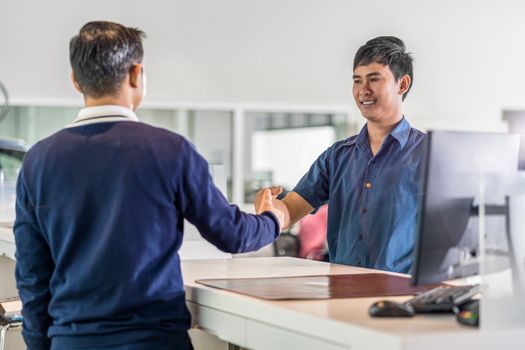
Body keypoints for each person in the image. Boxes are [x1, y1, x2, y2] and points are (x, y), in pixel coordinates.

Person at [14, 21, 283, 350]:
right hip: (153, 340)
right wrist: (273, 220)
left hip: (72, 341)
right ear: (136, 74)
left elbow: (32, 275)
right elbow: (231, 233)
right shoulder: (170, 150)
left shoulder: (38, 161)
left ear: (75, 79)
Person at [255, 36, 425, 274]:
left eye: (374, 79)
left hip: (401, 298)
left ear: (402, 84)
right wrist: (272, 211)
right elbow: (291, 210)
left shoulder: (429, 156)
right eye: (357, 81)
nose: (363, 90)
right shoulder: (337, 157)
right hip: (342, 291)